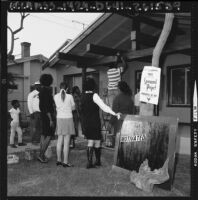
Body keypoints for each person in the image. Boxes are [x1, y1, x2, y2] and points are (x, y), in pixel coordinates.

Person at [81, 77, 120, 169]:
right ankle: (92, 162)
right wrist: (114, 113)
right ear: (93, 86)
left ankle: (94, 162)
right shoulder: (94, 95)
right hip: (94, 121)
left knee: (94, 140)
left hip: (86, 122)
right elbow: (104, 107)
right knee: (95, 140)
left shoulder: (82, 96)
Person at [54, 82, 75, 167]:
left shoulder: (55, 96)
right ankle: (65, 162)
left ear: (60, 88)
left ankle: (59, 160)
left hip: (59, 119)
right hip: (68, 119)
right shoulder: (70, 96)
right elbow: (73, 108)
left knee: (59, 140)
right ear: (67, 89)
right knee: (66, 142)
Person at [37, 74, 56, 163]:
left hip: (42, 115)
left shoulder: (41, 91)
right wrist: (51, 119)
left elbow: (43, 106)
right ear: (49, 81)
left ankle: (41, 154)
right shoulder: (47, 92)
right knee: (48, 135)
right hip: (48, 115)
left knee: (43, 134)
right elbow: (47, 107)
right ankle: (41, 155)